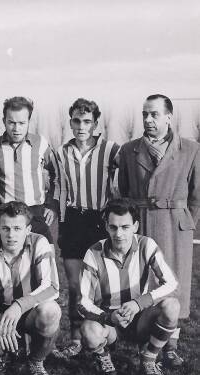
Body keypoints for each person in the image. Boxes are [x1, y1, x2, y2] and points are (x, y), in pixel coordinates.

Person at [118, 94, 200, 366]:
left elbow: (196, 196)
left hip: (175, 227)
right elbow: (125, 191)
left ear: (168, 117)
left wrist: (184, 223)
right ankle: (144, 341)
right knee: (143, 282)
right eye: (144, 114)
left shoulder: (191, 149)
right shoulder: (129, 150)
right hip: (141, 224)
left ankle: (170, 346)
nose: (148, 119)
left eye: (154, 114)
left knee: (173, 284)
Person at [78, 199, 179, 375]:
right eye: (113, 227)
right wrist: (108, 317)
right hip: (111, 324)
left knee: (172, 306)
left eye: (125, 227)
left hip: (141, 320)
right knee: (88, 330)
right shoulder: (93, 253)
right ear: (106, 226)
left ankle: (149, 357)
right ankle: (103, 356)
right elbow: (82, 301)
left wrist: (139, 303)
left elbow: (171, 283)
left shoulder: (146, 245)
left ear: (135, 226)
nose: (119, 234)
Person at [51, 98, 120, 359]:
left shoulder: (111, 149)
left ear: (95, 124)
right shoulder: (60, 152)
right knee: (74, 285)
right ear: (70, 122)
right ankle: (76, 338)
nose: (81, 126)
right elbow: (52, 183)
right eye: (77, 121)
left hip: (99, 221)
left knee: (102, 285)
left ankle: (104, 335)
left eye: (87, 121)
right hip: (72, 220)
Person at [0, 201, 61, 375]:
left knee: (51, 311)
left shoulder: (39, 242)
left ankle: (36, 361)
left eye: (17, 228)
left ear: (28, 229)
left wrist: (19, 306)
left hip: (30, 310)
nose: (11, 235)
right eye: (6, 228)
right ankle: (4, 355)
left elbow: (51, 286)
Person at [0, 96, 58, 243]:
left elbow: (57, 174)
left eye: (22, 123)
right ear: (4, 121)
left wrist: (52, 205)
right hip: (7, 215)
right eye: (11, 122)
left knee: (47, 253)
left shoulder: (40, 143)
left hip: (35, 212)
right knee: (8, 257)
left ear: (29, 121)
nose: (16, 128)